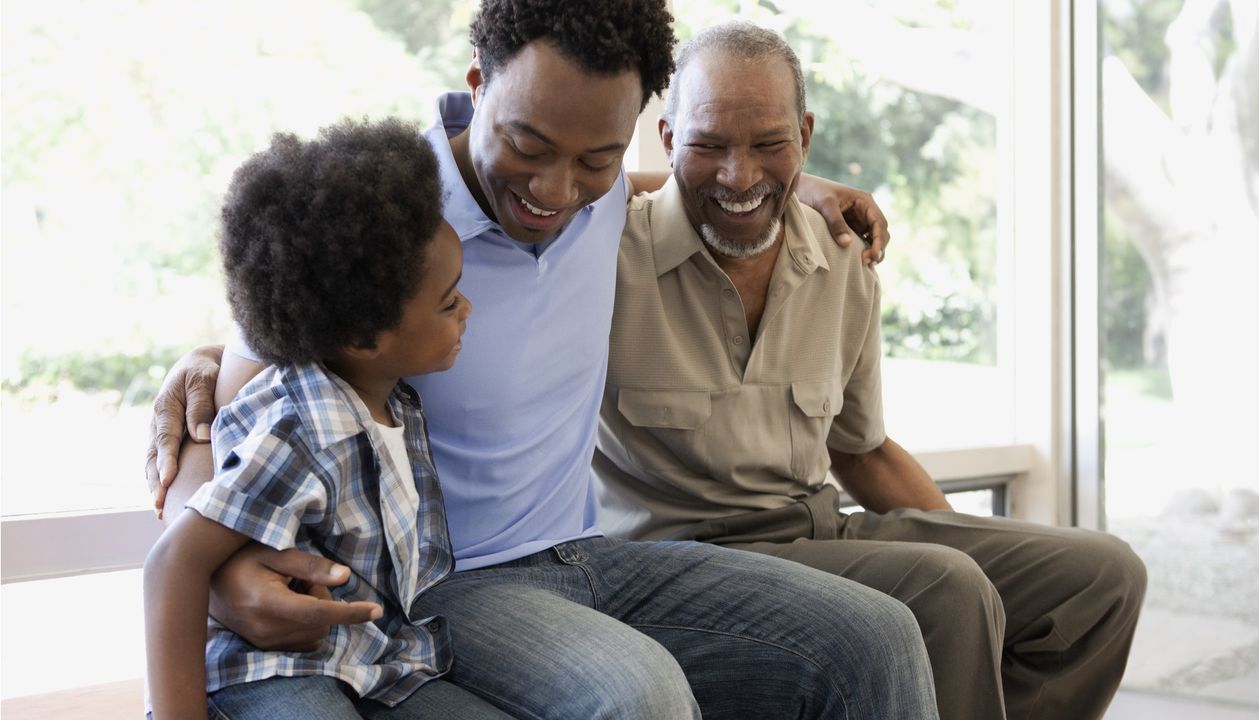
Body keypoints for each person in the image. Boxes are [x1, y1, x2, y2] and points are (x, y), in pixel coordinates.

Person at [143, 2, 940, 719]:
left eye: (596, 159)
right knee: (635, 694)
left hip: (593, 554)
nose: (555, 192)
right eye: (528, 144)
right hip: (448, 584)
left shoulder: (601, 200)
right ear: (478, 84)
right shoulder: (383, 221)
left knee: (876, 635)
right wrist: (219, 577)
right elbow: (233, 426)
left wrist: (799, 182)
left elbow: (677, 181)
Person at [593, 21, 1148, 720]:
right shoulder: (607, 253)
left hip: (818, 534)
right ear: (669, 140)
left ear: (807, 134)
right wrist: (796, 181)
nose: (739, 176)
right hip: (675, 563)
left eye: (770, 144)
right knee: (946, 590)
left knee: (1101, 576)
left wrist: (971, 553)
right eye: (708, 146)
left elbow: (862, 452)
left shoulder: (841, 261)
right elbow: (532, 179)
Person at [144, 118, 508, 719]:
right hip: (270, 673)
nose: (467, 309)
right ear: (365, 337)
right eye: (449, 301)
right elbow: (172, 562)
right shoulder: (301, 429)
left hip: (372, 662)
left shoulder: (398, 400)